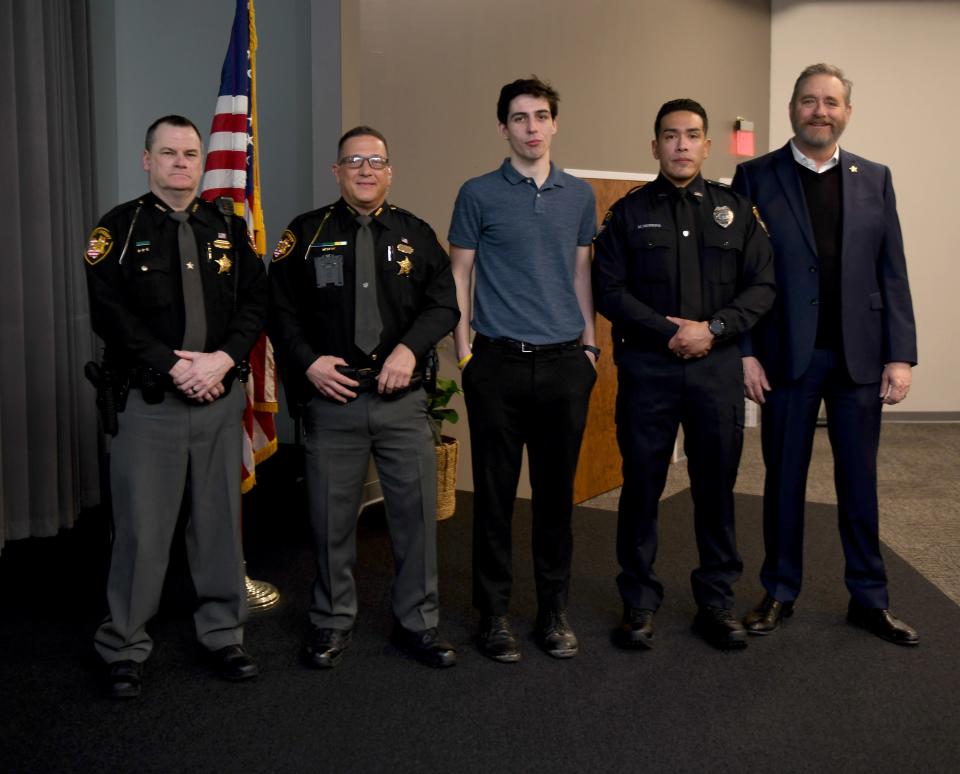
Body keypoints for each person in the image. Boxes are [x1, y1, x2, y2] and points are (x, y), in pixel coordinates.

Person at [732, 64, 919, 646]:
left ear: (847, 112)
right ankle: (780, 591)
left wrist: (900, 355)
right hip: (786, 355)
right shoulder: (754, 177)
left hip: (860, 357)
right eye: (809, 101)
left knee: (858, 481)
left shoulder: (876, 178)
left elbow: (893, 270)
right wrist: (744, 352)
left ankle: (869, 598)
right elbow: (735, 276)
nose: (820, 111)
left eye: (831, 102)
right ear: (793, 108)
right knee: (783, 479)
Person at [83, 115, 268, 698]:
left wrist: (221, 360)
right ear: (147, 160)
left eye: (190, 153)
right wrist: (176, 365)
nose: (181, 163)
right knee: (142, 528)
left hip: (218, 397)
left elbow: (256, 300)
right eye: (168, 153)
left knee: (218, 525)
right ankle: (124, 645)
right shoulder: (117, 228)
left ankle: (222, 633)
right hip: (151, 401)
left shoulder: (227, 228)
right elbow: (109, 314)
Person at [268, 126, 460, 669]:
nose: (366, 169)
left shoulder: (416, 234)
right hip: (334, 400)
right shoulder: (304, 234)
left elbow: (444, 306)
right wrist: (308, 363)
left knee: (416, 518)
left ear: (390, 171)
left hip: (401, 400)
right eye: (354, 161)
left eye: (376, 160)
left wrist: (408, 350)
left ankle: (417, 625)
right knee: (330, 521)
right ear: (337, 172)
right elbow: (279, 310)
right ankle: (330, 622)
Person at [593, 99, 775, 651]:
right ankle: (639, 603)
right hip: (649, 371)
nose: (681, 145)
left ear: (706, 145)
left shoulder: (736, 211)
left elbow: (762, 286)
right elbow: (607, 289)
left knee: (716, 488)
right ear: (655, 146)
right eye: (670, 136)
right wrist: (666, 330)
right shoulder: (627, 213)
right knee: (642, 486)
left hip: (715, 372)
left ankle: (716, 602)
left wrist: (713, 328)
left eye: (692, 135)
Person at [449, 77, 598, 663]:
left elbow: (582, 273)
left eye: (541, 116)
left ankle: (553, 611)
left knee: (557, 500)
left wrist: (590, 349)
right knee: (494, 500)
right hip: (497, 365)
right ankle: (494, 617)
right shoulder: (478, 193)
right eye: (519, 118)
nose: (532, 127)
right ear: (502, 127)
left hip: (565, 364)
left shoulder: (579, 195)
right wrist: (464, 354)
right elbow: (459, 275)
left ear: (555, 123)